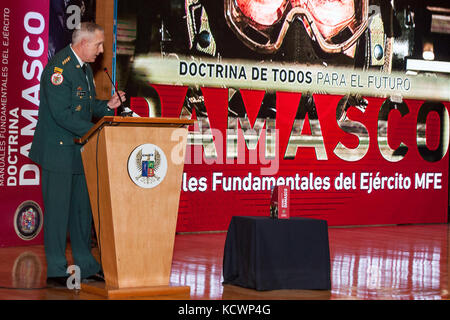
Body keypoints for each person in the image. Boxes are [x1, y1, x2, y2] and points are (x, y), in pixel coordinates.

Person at [29, 22, 126, 288]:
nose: (102, 50)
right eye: (98, 44)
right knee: (59, 214)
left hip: (80, 150)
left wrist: (106, 106)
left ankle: (86, 264)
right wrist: (99, 128)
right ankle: (57, 269)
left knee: (82, 214)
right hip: (58, 152)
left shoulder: (83, 68)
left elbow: (83, 106)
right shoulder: (58, 69)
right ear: (83, 44)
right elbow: (62, 115)